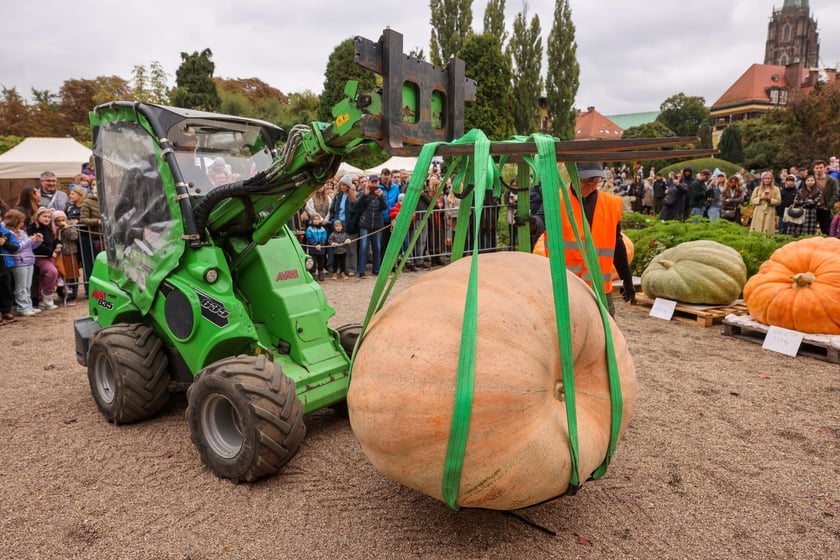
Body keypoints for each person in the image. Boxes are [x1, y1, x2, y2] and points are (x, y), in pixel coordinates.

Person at [533, 162, 635, 317]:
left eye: (596, 180)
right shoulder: (556, 200)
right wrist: (532, 223)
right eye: (586, 180)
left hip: (600, 289)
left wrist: (627, 280)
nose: (591, 185)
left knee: (606, 334)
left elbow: (617, 245)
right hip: (566, 287)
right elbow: (541, 222)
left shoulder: (612, 204)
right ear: (574, 177)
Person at [4, 209, 41, 317]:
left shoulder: (23, 232)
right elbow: (17, 248)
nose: (22, 224)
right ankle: (22, 307)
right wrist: (29, 240)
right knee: (21, 287)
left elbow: (29, 246)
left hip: (29, 260)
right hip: (19, 262)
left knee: (28, 286)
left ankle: (29, 306)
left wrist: (37, 241)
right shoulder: (9, 234)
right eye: (20, 221)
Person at [27, 207, 60, 310]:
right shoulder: (32, 228)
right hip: (39, 256)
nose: (47, 219)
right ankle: (47, 296)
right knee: (52, 272)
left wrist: (58, 244)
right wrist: (50, 252)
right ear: (38, 216)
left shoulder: (49, 228)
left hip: (49, 256)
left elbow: (52, 240)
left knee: (45, 277)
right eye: (44, 216)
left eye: (49, 217)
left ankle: (43, 299)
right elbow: (36, 245)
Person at [355, 175, 386, 278]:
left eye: (376, 182)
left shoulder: (381, 193)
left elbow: (384, 207)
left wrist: (381, 197)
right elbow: (357, 206)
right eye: (372, 182)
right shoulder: (362, 192)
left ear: (378, 183)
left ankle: (376, 269)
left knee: (377, 247)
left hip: (377, 224)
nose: (374, 184)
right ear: (369, 183)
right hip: (365, 224)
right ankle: (361, 270)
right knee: (363, 247)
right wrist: (365, 195)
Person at [329, 175, 358, 276]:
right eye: (341, 184)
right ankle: (341, 269)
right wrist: (332, 220)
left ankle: (352, 268)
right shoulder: (337, 196)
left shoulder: (353, 196)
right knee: (339, 249)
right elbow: (332, 209)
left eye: (345, 185)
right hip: (338, 225)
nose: (342, 187)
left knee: (351, 249)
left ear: (349, 186)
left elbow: (356, 212)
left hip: (350, 225)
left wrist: (353, 224)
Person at [53, 210, 80, 302]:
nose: (61, 223)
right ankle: (62, 292)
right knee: (62, 273)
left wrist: (67, 227)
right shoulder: (54, 229)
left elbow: (74, 236)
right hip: (59, 254)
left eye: (62, 220)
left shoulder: (70, 226)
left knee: (72, 273)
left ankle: (73, 293)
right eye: (58, 221)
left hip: (70, 252)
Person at [0, 215, 21, 325]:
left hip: (5, 264)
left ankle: (5, 311)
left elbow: (16, 247)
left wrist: (5, 243)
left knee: (6, 288)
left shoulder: (6, 232)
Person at [813, 159, 838, 235]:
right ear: (814, 169)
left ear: (824, 168)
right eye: (817, 168)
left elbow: (836, 194)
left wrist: (828, 206)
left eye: (821, 167)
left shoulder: (832, 180)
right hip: (813, 209)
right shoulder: (810, 179)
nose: (819, 169)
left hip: (825, 209)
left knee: (827, 231)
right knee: (811, 232)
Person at [305, 213, 328, 281]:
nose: (316, 221)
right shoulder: (309, 228)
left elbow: (324, 237)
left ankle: (320, 272)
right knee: (313, 262)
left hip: (321, 248)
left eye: (318, 219)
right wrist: (315, 244)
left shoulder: (322, 229)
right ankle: (313, 273)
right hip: (313, 248)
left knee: (321, 261)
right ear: (312, 220)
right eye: (314, 219)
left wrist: (321, 244)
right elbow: (309, 237)